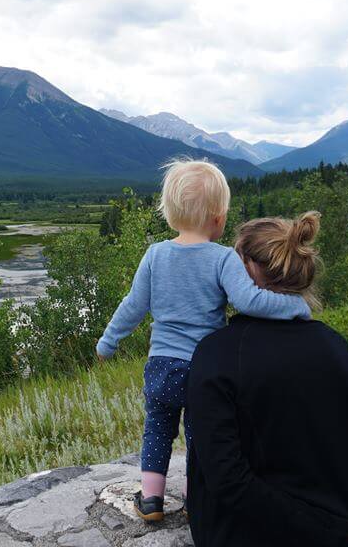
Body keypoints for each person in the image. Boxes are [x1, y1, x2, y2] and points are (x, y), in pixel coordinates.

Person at [95, 159, 313, 522]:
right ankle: (201, 496)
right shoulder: (223, 258)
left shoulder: (155, 255)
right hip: (205, 370)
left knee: (158, 428)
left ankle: (151, 499)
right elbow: (249, 301)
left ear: (169, 213)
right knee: (203, 437)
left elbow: (133, 306)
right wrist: (295, 306)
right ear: (218, 217)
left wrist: (107, 343)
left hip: (161, 367)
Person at [186, 212, 348, 546]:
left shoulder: (215, 355)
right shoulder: (341, 352)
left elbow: (228, 481)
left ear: (247, 270)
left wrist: (332, 531)